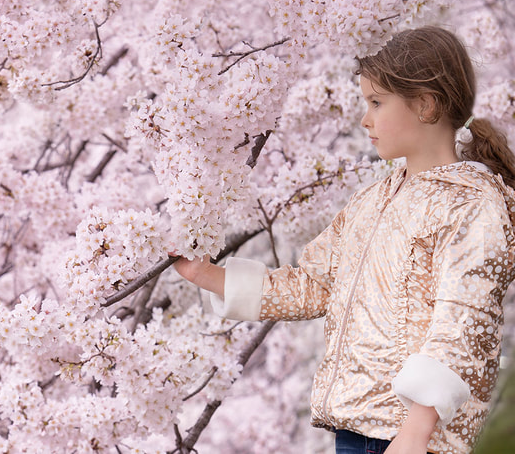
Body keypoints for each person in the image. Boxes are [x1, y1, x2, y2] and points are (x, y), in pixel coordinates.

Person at [173, 26, 515, 454]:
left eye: (376, 103)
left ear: (425, 105)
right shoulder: (371, 200)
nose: (364, 119)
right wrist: (205, 274)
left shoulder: (470, 203)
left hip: (416, 437)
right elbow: (314, 285)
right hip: (355, 431)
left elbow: (465, 318)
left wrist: (416, 429)